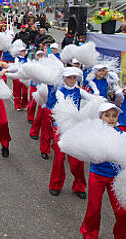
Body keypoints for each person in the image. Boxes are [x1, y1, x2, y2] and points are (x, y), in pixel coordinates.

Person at [79, 102, 126, 238]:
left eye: (114, 116)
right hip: (97, 176)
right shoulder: (94, 134)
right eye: (107, 115)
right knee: (94, 208)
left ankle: (125, 236)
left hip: (118, 178)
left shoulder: (123, 135)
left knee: (123, 212)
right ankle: (89, 234)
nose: (111, 118)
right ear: (100, 117)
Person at [49, 67, 94, 198]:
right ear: (64, 78)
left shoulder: (80, 91)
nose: (72, 80)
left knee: (77, 159)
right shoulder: (60, 92)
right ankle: (55, 185)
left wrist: (99, 100)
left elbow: (91, 98)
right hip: (61, 128)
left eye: (74, 78)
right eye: (69, 77)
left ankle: (79, 186)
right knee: (59, 158)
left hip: (75, 128)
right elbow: (63, 104)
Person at [12, 46, 29, 111]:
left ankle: (24, 104)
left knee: (25, 92)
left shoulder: (28, 59)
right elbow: (16, 67)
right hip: (18, 77)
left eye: (24, 51)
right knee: (17, 92)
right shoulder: (16, 59)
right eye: (22, 51)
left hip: (25, 77)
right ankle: (17, 105)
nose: (23, 52)